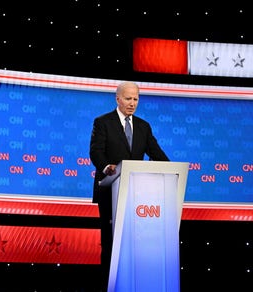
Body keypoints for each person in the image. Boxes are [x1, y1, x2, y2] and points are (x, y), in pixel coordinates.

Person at [89, 81, 169, 292]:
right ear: (118, 98)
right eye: (128, 98)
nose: (132, 103)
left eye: (136, 99)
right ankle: (109, 285)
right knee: (111, 242)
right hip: (110, 192)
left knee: (133, 243)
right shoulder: (102, 122)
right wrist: (106, 167)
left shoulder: (143, 126)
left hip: (137, 195)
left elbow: (156, 153)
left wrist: (172, 170)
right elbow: (96, 152)